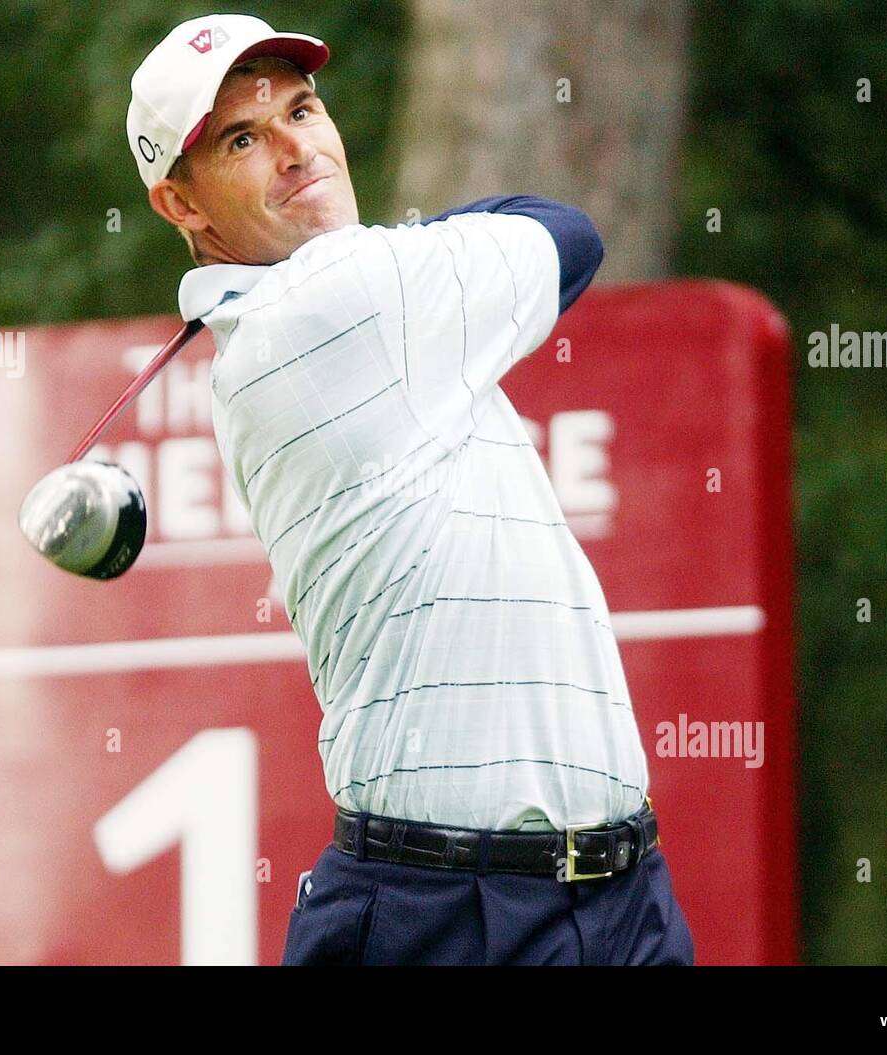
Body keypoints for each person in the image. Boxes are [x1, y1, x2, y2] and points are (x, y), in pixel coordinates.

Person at [127, 13, 696, 966]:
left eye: (302, 110)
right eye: (241, 139)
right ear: (182, 205)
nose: (296, 149)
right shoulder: (331, 304)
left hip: (619, 894)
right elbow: (568, 232)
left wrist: (415, 248)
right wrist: (419, 241)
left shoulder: (374, 295)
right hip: (451, 913)